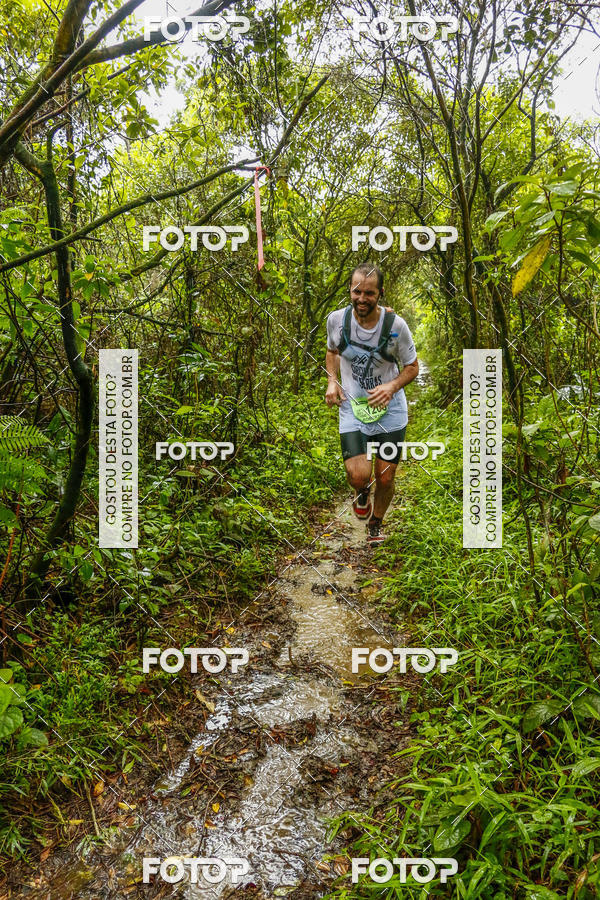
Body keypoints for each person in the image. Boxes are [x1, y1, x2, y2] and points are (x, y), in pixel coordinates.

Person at [325, 263, 419, 544]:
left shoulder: (395, 327)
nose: (362, 298)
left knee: (386, 476)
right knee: (358, 475)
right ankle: (362, 492)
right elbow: (332, 351)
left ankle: (375, 523)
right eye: (357, 292)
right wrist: (332, 381)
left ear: (380, 294)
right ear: (350, 291)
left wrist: (391, 386)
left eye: (369, 293)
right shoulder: (337, 321)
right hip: (353, 408)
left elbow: (412, 367)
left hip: (390, 412)